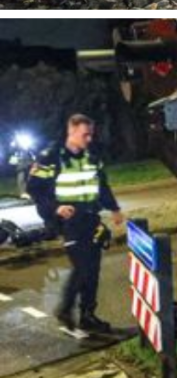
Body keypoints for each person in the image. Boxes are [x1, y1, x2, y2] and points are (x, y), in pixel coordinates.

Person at [26, 114, 123, 333]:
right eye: (84, 134)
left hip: (91, 218)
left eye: (91, 134)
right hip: (68, 220)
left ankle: (88, 315)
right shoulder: (51, 156)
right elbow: (34, 189)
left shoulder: (92, 155)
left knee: (93, 268)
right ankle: (65, 309)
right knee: (83, 267)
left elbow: (102, 185)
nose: (89, 139)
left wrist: (114, 208)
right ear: (71, 131)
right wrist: (55, 208)